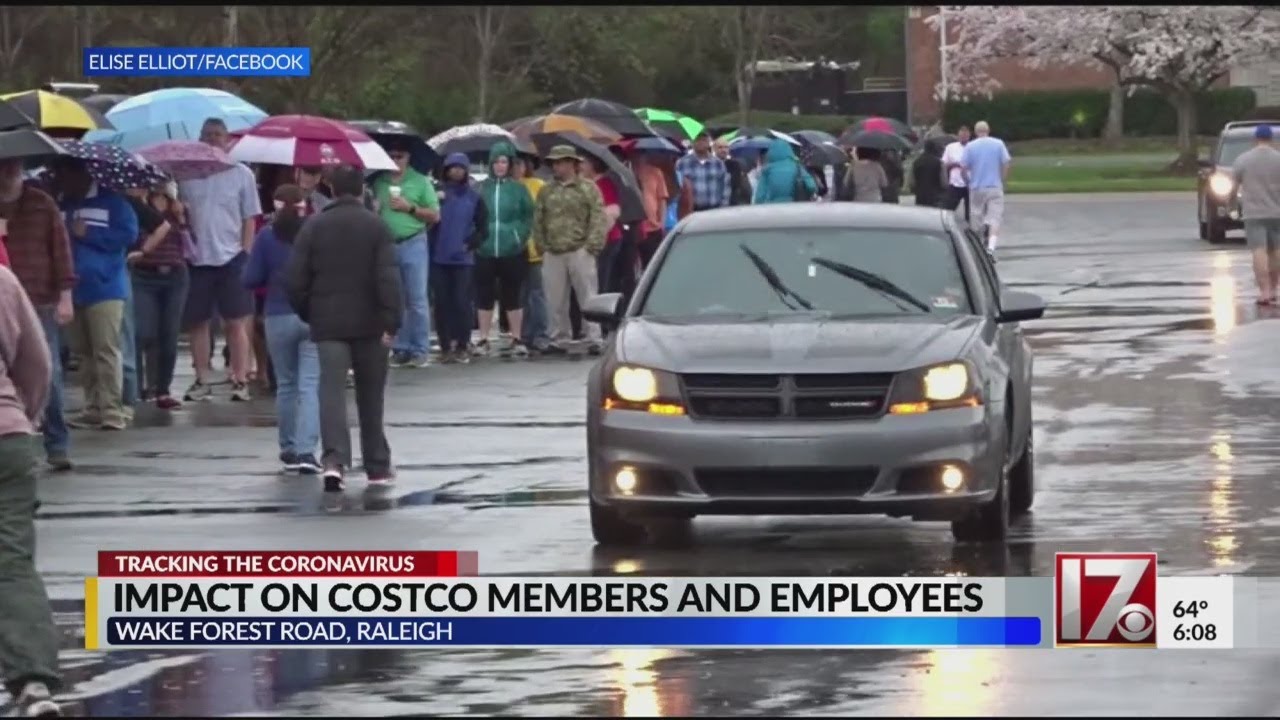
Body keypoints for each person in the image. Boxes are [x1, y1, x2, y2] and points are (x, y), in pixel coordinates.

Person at [286, 166, 402, 493]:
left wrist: (310, 312)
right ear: (361, 190)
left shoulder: (314, 225)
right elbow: (388, 278)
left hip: (328, 322)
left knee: (331, 391)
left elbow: (295, 279)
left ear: (332, 190)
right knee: (371, 394)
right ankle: (377, 465)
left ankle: (334, 462)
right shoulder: (376, 226)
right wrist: (392, 320)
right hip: (371, 323)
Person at [0, 263, 63, 718]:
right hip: (8, 437)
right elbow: (37, 362)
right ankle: (34, 681)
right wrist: (26, 415)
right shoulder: (2, 280)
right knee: (12, 562)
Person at [51, 158, 138, 432]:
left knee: (106, 349)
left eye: (65, 174)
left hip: (106, 287)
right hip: (72, 289)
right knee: (83, 353)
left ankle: (112, 410)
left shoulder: (113, 202)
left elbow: (128, 235)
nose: (62, 180)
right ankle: (92, 407)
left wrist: (89, 234)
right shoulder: (62, 205)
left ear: (81, 174)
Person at [179, 117, 263, 402]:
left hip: (232, 257)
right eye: (207, 134)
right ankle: (202, 377)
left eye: (218, 134)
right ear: (200, 139)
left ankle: (239, 378)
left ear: (227, 140)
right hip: (197, 258)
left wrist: (246, 252)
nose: (213, 139)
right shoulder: (186, 175)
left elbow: (250, 217)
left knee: (235, 322)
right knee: (198, 322)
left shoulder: (242, 173)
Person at [0, 158, 75, 471]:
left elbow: (61, 249)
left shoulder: (41, 203)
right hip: (4, 298)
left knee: (48, 370)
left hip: (40, 297)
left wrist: (66, 295)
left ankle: (57, 443)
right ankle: (18, 437)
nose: (8, 173)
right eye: (3, 167)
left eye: (13, 167)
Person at [243, 184, 320, 474]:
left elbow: (250, 278)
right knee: (309, 385)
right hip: (312, 315)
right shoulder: (315, 232)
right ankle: (307, 451)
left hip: (277, 314)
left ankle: (288, 448)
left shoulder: (266, 236)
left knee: (286, 385)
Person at [531, 145, 608, 355]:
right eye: (554, 163)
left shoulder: (588, 188)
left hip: (580, 249)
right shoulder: (547, 190)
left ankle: (593, 337)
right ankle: (558, 338)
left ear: (572, 164)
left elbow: (597, 217)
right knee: (554, 299)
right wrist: (542, 245)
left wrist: (591, 246)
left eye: (560, 162)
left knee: (588, 296)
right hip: (553, 251)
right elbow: (538, 218)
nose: (556, 167)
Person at [371, 138, 440, 369]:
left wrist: (409, 207)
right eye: (391, 156)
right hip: (387, 244)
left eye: (399, 156)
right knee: (395, 299)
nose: (395, 160)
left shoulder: (420, 181)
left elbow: (435, 215)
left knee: (417, 299)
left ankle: (420, 349)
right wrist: (374, 210)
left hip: (413, 242)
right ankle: (401, 347)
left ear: (408, 158)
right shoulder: (378, 182)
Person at [126, 186, 189, 410]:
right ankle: (136, 389)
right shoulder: (139, 206)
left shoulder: (178, 207)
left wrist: (182, 218)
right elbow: (131, 237)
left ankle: (162, 390)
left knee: (169, 334)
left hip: (175, 274)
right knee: (143, 332)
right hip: (144, 273)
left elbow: (191, 242)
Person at [474, 142, 534, 359]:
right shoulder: (481, 188)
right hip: (485, 249)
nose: (500, 166)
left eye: (504, 162)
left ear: (509, 164)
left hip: (512, 249)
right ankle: (483, 338)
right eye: (496, 162)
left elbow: (529, 216)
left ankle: (516, 337)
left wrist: (519, 236)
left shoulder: (519, 189)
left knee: (513, 294)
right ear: (491, 164)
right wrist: (477, 239)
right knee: (484, 295)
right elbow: (473, 216)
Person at [431, 153, 486, 363]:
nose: (456, 171)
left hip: (463, 259)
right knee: (441, 303)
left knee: (462, 302)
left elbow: (483, 228)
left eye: (460, 167)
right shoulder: (436, 193)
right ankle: (445, 346)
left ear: (466, 171)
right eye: (452, 167)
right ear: (446, 170)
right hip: (439, 257)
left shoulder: (474, 197)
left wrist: (470, 243)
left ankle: (463, 344)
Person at [1231, 124, 1280, 305]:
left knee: (1259, 251)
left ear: (1255, 139)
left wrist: (1232, 206)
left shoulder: (1243, 160)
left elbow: (1234, 186)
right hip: (1277, 212)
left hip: (1253, 213)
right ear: (1271, 139)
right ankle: (1274, 289)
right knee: (1276, 251)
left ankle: (1264, 291)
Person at [512, 156, 551, 354]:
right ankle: (523, 335)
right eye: (513, 164)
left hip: (535, 248)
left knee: (537, 293)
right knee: (519, 295)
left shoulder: (538, 185)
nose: (516, 168)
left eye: (519, 164)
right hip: (513, 249)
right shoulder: (505, 188)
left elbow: (546, 214)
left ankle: (541, 334)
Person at [961, 120, 1012, 252]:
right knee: (995, 217)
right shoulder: (998, 143)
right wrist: (1002, 180)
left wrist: (967, 181)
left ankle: (978, 243)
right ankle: (991, 246)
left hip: (977, 186)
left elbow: (963, 168)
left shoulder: (970, 146)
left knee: (976, 214)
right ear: (988, 130)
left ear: (975, 132)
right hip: (994, 185)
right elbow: (1006, 163)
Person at [580, 156, 625, 295]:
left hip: (607, 240)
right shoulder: (589, 185)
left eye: (584, 162)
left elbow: (612, 212)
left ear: (593, 165)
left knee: (600, 280)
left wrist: (596, 238)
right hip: (594, 239)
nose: (580, 166)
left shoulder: (604, 184)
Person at [630, 150, 670, 270]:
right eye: (636, 154)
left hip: (652, 227)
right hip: (633, 226)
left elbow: (662, 199)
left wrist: (662, 223)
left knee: (651, 265)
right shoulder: (626, 172)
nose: (639, 157)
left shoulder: (655, 172)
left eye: (642, 154)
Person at [675, 131, 730, 212]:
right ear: (692, 143)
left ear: (709, 143)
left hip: (714, 210)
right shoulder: (682, 163)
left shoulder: (718, 163)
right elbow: (677, 187)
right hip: (691, 210)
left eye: (704, 140)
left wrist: (723, 207)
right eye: (697, 140)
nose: (700, 142)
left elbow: (725, 186)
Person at [753, 138, 819, 204]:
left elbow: (760, 197)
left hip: (773, 207)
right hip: (795, 206)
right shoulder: (797, 167)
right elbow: (811, 186)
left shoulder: (767, 170)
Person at [942, 125, 972, 221]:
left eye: (965, 136)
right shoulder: (951, 147)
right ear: (958, 136)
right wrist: (954, 164)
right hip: (955, 182)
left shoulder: (974, 147)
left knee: (971, 211)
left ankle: (970, 225)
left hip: (971, 183)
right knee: (949, 208)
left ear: (969, 136)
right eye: (961, 135)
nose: (963, 137)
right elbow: (944, 164)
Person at [912, 139, 946, 208]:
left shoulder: (916, 162)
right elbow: (944, 182)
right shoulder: (939, 162)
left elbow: (911, 182)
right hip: (935, 196)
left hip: (920, 195)